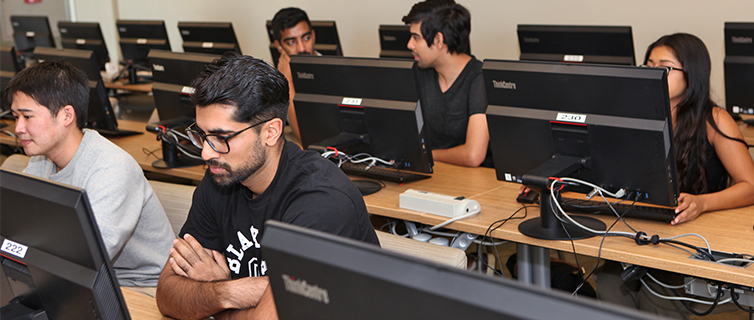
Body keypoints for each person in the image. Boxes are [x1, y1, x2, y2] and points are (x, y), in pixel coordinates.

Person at [155, 52, 379, 320]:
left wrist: (213, 301)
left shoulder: (321, 200)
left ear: (271, 132)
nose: (206, 152)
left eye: (222, 137)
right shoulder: (221, 177)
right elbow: (167, 294)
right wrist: (227, 292)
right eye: (202, 135)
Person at [597, 33, 754, 319]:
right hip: (645, 227)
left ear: (691, 74)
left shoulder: (714, 119)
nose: (655, 72)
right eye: (649, 64)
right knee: (609, 284)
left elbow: (751, 186)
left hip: (694, 234)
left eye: (666, 67)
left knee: (658, 299)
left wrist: (703, 203)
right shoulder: (633, 114)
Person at [5, 60, 174, 288]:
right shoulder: (40, 160)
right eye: (16, 117)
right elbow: (14, 220)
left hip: (144, 287)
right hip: (84, 280)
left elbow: (85, 257)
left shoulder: (111, 168)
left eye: (27, 116)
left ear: (66, 116)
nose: (18, 128)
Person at [402, 0, 491, 167]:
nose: (409, 44)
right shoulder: (420, 74)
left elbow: (473, 155)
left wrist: (425, 153)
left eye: (416, 38)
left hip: (472, 181)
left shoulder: (479, 79)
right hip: (436, 174)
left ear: (438, 40)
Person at [270, 7, 318, 143]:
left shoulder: (330, 74)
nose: (302, 48)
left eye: (306, 38)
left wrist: (288, 81)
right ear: (279, 46)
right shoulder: (273, 79)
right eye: (291, 42)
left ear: (313, 36)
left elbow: (307, 137)